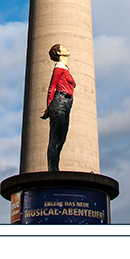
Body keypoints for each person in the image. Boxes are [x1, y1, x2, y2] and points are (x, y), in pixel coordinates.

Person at [41, 44, 76, 172]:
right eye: (63, 47)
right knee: (55, 138)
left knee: (62, 136)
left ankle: (55, 168)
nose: (67, 48)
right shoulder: (58, 69)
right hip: (59, 102)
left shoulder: (65, 69)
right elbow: (52, 88)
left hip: (67, 103)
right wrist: (49, 108)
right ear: (59, 53)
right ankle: (53, 170)